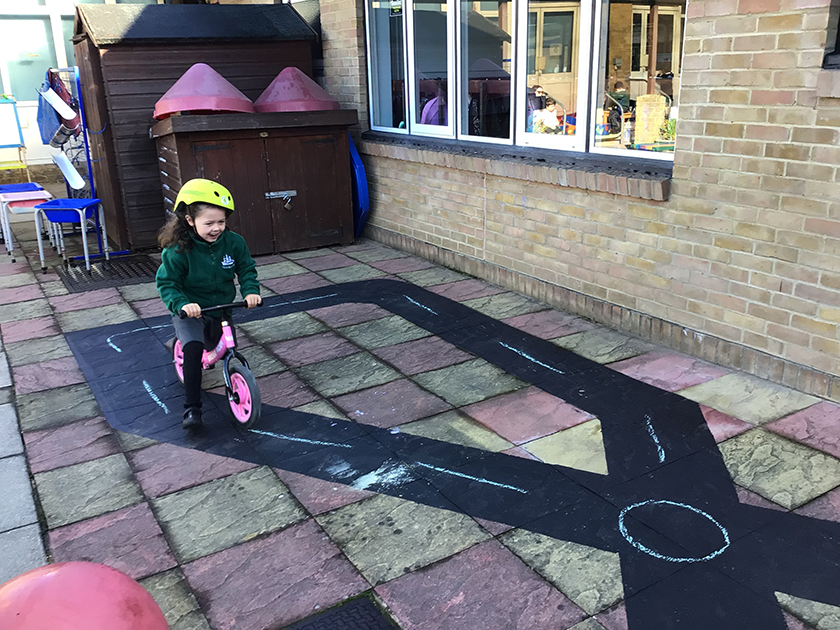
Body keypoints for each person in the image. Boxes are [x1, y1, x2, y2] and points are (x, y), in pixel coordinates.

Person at [155, 178, 262, 430]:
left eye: (221, 222)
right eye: (209, 223)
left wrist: (250, 291)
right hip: (191, 311)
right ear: (190, 221)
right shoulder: (178, 250)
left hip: (221, 308)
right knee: (193, 349)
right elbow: (167, 283)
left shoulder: (234, 242)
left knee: (222, 345)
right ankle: (192, 408)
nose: (216, 228)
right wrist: (182, 303)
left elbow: (247, 269)